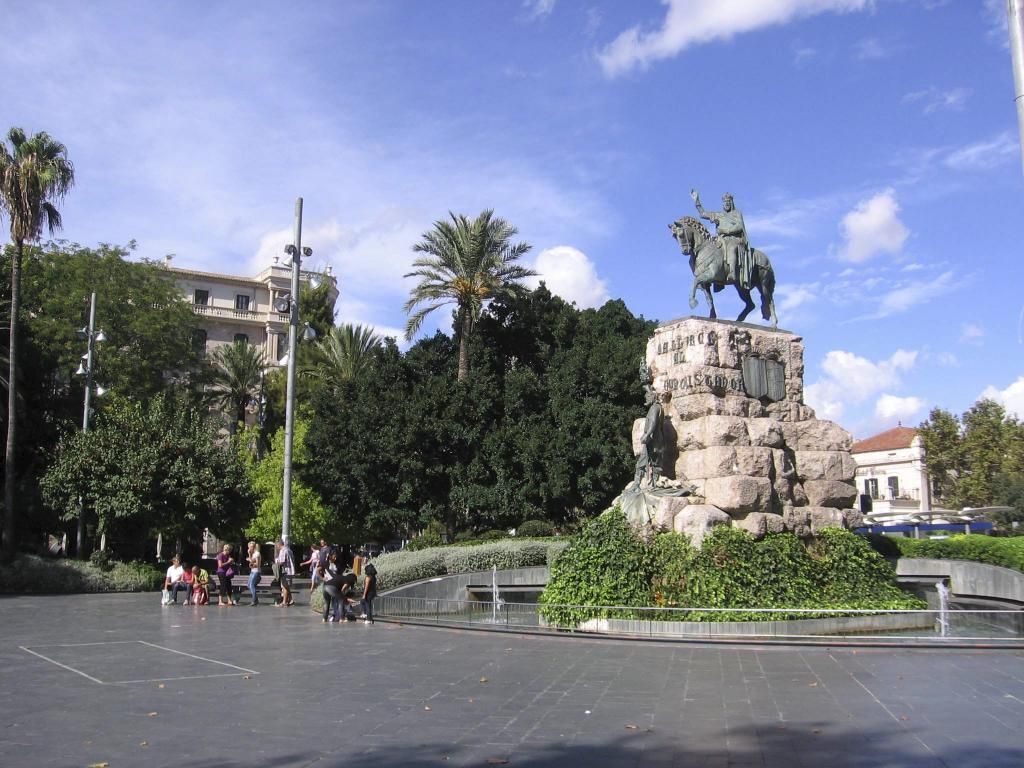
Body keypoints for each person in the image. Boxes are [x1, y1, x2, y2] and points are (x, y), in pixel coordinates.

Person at [691, 189, 751, 289]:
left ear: (731, 203)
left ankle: (732, 272)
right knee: (711, 251)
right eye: (724, 202)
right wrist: (697, 201)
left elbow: (740, 226)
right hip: (721, 240)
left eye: (728, 202)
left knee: (731, 248)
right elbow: (703, 214)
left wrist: (725, 230)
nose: (726, 204)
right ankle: (711, 277)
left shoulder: (736, 213)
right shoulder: (719, 215)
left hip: (734, 239)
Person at [275, 538, 296, 607]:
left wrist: (276, 561)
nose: (276, 547)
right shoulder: (288, 550)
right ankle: (290, 600)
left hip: (286, 571)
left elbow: (282, 561)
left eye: (276, 545)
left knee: (285, 587)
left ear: (279, 544)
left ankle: (284, 602)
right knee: (286, 586)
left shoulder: (283, 550)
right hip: (290, 571)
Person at [246, 541, 262, 606]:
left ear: (253, 547)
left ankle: (254, 600)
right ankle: (256, 599)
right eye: (248, 547)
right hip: (252, 571)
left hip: (256, 572)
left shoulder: (257, 554)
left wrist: (251, 563)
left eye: (250, 547)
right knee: (248, 585)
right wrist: (249, 554)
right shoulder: (253, 554)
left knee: (252, 585)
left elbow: (258, 564)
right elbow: (252, 561)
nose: (249, 548)